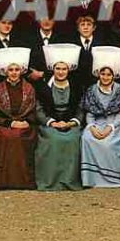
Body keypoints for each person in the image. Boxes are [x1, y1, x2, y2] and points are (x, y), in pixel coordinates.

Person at [34, 43, 84, 191]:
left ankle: (69, 180)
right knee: (53, 139)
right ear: (53, 70)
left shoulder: (76, 87)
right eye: (58, 68)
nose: (61, 72)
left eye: (64, 69)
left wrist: (72, 123)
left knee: (72, 139)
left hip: (70, 124)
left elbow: (81, 109)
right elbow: (39, 110)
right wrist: (52, 123)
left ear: (68, 70)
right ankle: (50, 181)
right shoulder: (43, 88)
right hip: (50, 124)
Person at [0, 47, 38, 190]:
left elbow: (33, 111)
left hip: (25, 125)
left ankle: (24, 182)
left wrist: (25, 122)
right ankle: (3, 182)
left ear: (21, 71)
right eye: (11, 70)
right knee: (7, 136)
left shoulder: (29, 88)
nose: (14, 73)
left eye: (17, 69)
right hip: (4, 125)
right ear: (5, 71)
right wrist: (11, 122)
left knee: (19, 136)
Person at [80, 46, 120, 188]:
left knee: (109, 143)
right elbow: (89, 112)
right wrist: (92, 127)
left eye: (109, 74)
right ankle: (91, 179)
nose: (106, 77)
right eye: (103, 74)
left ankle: (112, 178)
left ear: (114, 76)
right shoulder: (91, 90)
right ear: (98, 74)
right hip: (96, 122)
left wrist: (110, 127)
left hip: (115, 124)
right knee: (87, 138)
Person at [69, 14, 108, 90]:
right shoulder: (72, 44)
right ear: (78, 28)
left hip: (96, 85)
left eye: (89, 25)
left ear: (94, 28)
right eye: (82, 25)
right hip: (76, 86)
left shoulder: (102, 44)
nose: (85, 27)